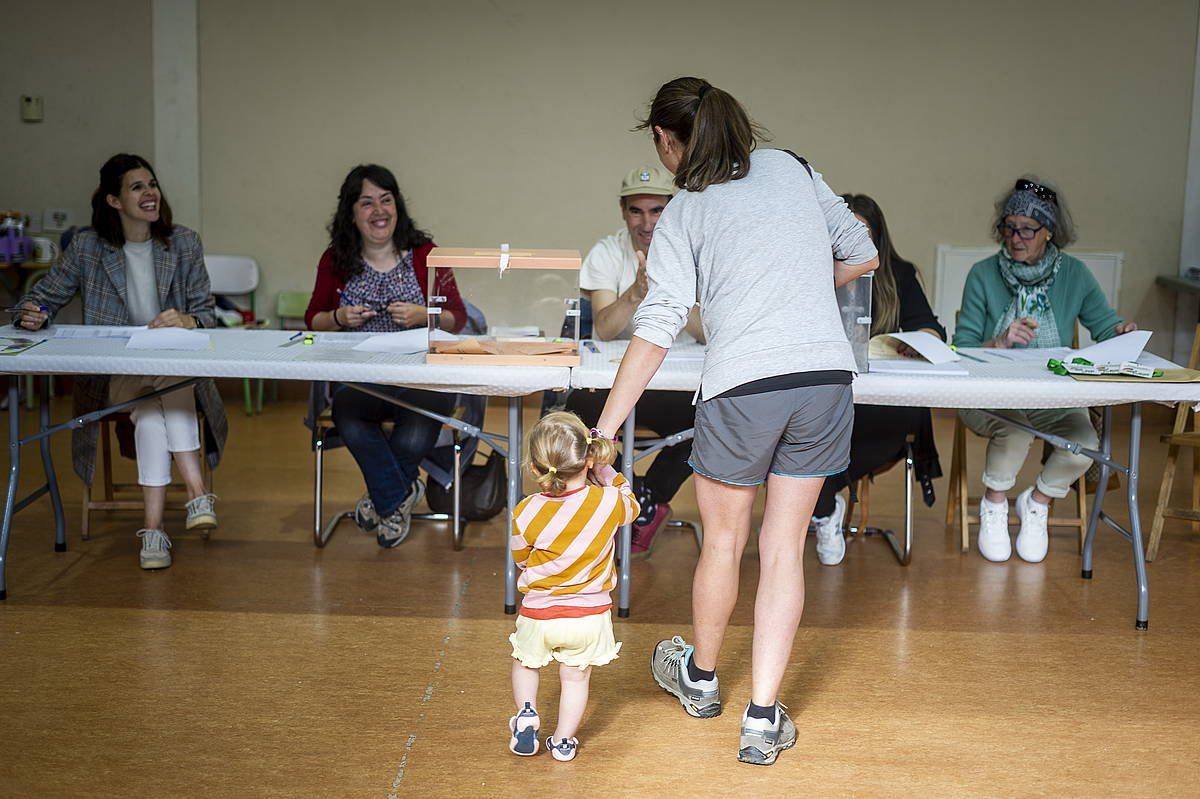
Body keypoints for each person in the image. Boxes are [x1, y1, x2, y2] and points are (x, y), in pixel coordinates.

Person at [593, 77, 878, 765]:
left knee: (724, 542)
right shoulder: (793, 169)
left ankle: (699, 677)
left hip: (743, 386)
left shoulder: (685, 211)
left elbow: (656, 326)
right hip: (823, 380)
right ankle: (761, 717)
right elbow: (863, 251)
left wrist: (606, 429)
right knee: (784, 547)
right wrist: (803, 283)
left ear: (667, 141)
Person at [16, 153, 226, 570]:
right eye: (137, 187)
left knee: (153, 410)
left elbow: (208, 314)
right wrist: (32, 312)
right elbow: (43, 297)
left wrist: (185, 318)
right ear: (114, 200)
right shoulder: (88, 248)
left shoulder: (184, 242)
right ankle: (196, 493)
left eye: (153, 185)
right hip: (115, 377)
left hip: (165, 377)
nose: (151, 194)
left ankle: (153, 535)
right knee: (168, 381)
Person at [952, 176, 1135, 564]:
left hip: (1052, 395)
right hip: (988, 395)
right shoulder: (982, 275)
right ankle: (994, 503)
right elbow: (961, 349)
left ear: (1049, 232)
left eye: (1027, 230)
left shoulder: (1075, 275)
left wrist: (1120, 331)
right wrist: (999, 342)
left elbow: (1106, 329)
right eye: (1009, 227)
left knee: (1085, 439)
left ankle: (1037, 502)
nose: (1015, 238)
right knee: (1015, 428)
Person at [304, 164, 467, 548]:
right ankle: (398, 495)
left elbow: (457, 318)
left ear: (398, 205)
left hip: (421, 376)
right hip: (363, 377)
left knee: (419, 423)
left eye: (386, 200)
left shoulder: (427, 253)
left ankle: (383, 499)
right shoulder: (335, 261)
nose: (379, 211)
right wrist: (339, 317)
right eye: (367, 203)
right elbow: (313, 319)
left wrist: (423, 316)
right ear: (351, 213)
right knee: (348, 414)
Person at [567, 164, 703, 556]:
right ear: (623, 212)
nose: (646, 222)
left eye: (656, 210)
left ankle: (645, 498)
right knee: (581, 410)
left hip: (675, 383)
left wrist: (669, 289)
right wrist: (634, 293)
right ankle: (630, 498)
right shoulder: (607, 252)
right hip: (616, 382)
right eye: (636, 211)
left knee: (709, 416)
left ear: (671, 210)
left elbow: (707, 332)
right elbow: (605, 329)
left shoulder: (691, 252)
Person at [809, 193, 946, 565]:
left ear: (878, 237)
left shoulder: (899, 274)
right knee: (792, 428)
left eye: (862, 231)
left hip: (881, 402)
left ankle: (820, 502)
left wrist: (908, 344)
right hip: (827, 396)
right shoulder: (812, 271)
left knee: (866, 432)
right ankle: (822, 509)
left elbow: (930, 331)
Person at [507, 411, 638, 762]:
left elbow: (521, 557)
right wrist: (606, 473)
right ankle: (563, 741)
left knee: (525, 664)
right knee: (576, 680)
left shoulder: (525, 511)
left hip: (539, 611)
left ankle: (528, 713)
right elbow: (632, 503)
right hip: (589, 616)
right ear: (589, 458)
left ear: (534, 469)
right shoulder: (609, 503)